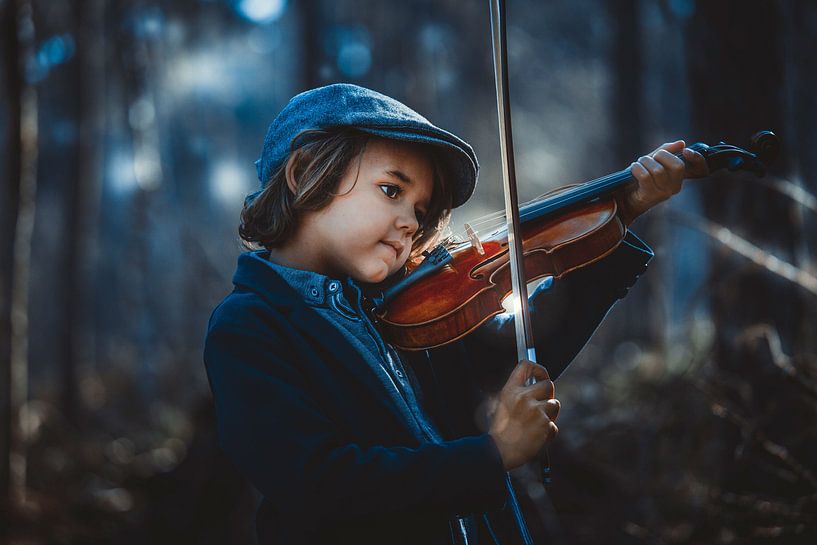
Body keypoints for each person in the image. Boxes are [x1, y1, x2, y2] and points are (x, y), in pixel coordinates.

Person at [203, 83, 708, 545]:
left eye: (421, 211)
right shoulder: (249, 327)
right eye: (392, 190)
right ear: (304, 173)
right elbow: (319, 484)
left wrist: (622, 217)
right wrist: (492, 456)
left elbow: (527, 347)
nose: (410, 223)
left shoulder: (408, 311)